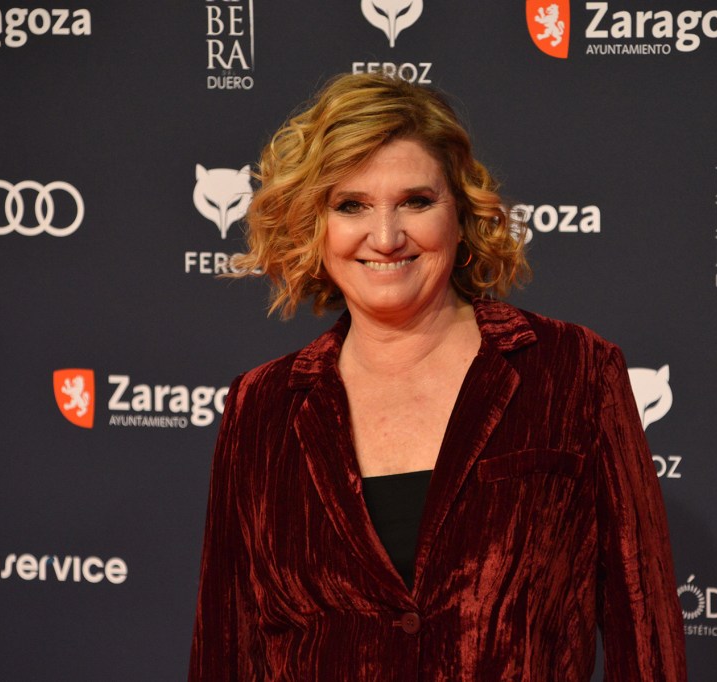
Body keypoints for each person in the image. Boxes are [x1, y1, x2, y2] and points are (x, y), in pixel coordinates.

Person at [189, 73, 687, 680]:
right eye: (351, 206)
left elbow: (646, 637)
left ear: (462, 214)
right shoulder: (262, 406)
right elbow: (227, 650)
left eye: (416, 202)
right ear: (313, 226)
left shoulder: (572, 370)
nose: (386, 237)